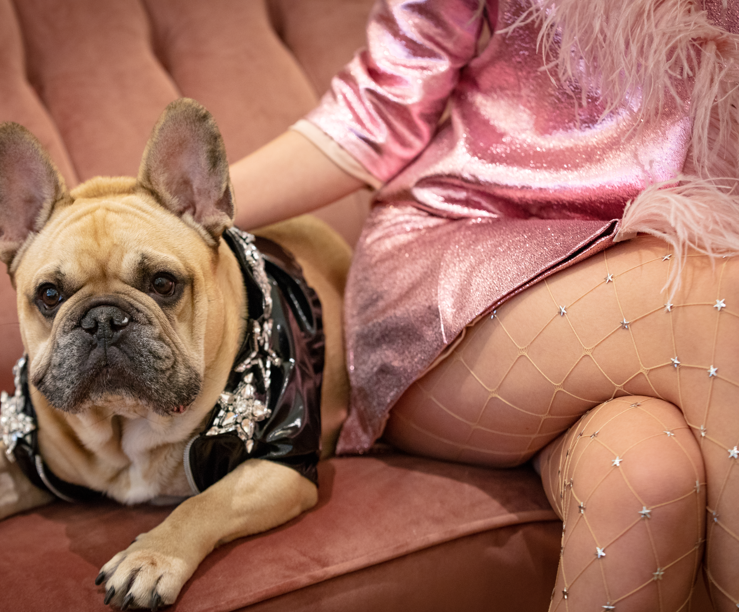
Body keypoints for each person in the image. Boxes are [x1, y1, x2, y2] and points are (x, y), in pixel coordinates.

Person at [229, 0, 739, 610]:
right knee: (715, 298)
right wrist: (165, 203)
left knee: (645, 478)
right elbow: (374, 112)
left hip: (647, 272)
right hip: (457, 268)